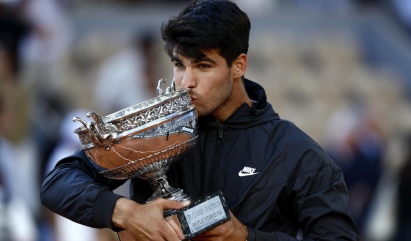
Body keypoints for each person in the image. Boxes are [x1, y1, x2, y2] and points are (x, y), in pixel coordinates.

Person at [41, 0, 359, 240]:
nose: (185, 81)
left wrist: (247, 237)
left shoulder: (296, 152)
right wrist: (127, 212)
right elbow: (58, 183)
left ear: (238, 66)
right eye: (180, 64)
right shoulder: (155, 131)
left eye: (203, 66)